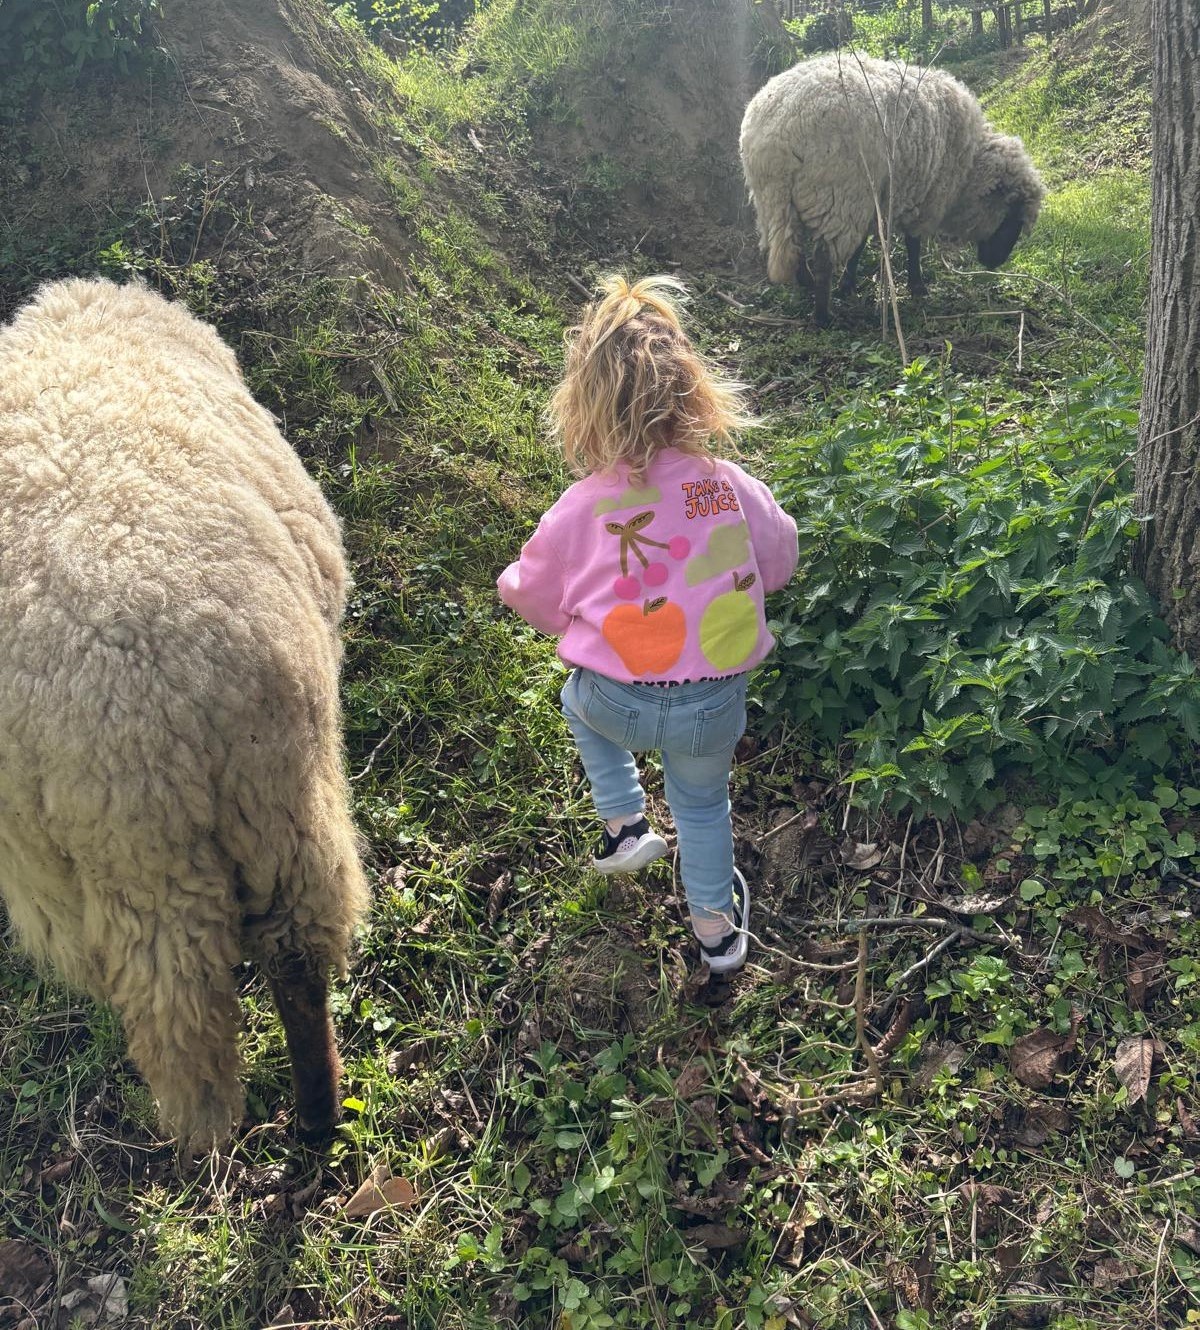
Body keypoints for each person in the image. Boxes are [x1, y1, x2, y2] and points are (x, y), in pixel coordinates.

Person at [497, 274, 798, 975]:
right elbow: (779, 559)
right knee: (701, 808)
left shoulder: (582, 505)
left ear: (585, 403)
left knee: (575, 699)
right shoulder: (723, 483)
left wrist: (560, 612)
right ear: (692, 390)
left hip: (616, 704)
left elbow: (530, 594)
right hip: (711, 706)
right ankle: (716, 936)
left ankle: (624, 820)